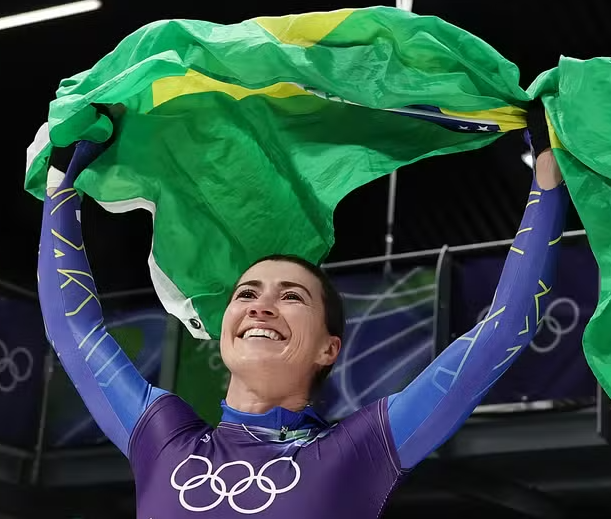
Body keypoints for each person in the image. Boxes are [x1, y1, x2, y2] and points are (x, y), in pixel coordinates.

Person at [37, 104, 567, 518]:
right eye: (246, 294)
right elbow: (73, 330)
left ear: (328, 348)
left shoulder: (359, 450)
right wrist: (63, 185)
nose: (261, 306)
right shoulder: (163, 438)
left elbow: (502, 332)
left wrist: (547, 179)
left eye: (291, 296)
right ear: (222, 331)